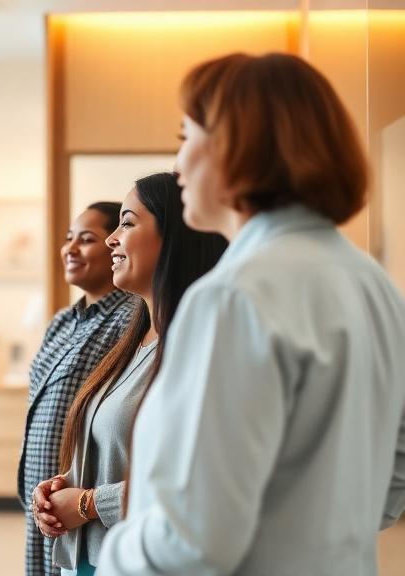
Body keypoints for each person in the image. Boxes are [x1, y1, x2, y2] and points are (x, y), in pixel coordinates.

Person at [97, 53, 405, 575]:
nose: (178, 166)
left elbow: (191, 540)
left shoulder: (233, 297)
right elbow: (393, 477)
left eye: (186, 137)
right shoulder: (375, 286)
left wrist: (117, 557)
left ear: (236, 148)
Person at [31, 173, 226, 575]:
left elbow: (195, 485)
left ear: (174, 235)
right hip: (89, 559)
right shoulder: (132, 342)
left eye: (128, 222)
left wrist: (87, 503)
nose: (111, 239)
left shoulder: (200, 348)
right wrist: (64, 484)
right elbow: (116, 450)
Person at [19, 202, 139, 576]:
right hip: (44, 495)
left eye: (86, 240)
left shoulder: (131, 319)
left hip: (83, 499)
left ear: (114, 246)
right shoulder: (62, 321)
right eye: (68, 238)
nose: (70, 248)